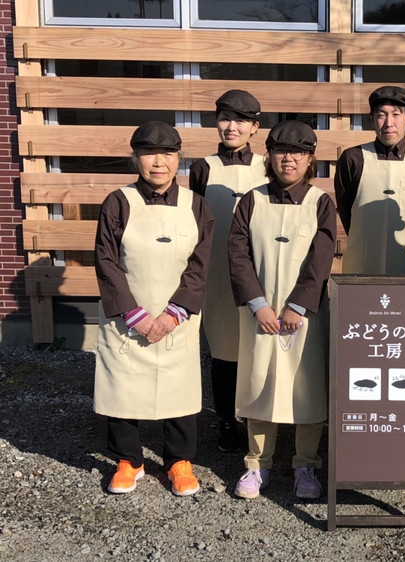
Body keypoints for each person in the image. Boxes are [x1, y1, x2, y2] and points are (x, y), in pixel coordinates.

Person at [94, 121, 215, 496]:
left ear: (178, 158)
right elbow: (106, 261)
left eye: (167, 154)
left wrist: (174, 312)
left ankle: (179, 460)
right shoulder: (118, 201)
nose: (158, 162)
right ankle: (128, 460)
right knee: (122, 388)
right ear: (136, 158)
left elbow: (200, 263)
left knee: (179, 388)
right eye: (149, 153)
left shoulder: (196, 204)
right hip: (128, 318)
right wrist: (136, 315)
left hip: (176, 317)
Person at [228, 120, 336, 500]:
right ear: (269, 156)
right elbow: (238, 255)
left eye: (299, 152)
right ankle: (257, 464)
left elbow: (321, 258)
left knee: (306, 387)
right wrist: (258, 305)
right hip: (260, 313)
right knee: (258, 383)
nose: (288, 159)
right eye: (280, 151)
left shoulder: (320, 202)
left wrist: (298, 304)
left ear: (310, 160)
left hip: (302, 315)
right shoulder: (251, 200)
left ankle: (305, 463)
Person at [189, 89, 267, 453]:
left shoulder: (267, 165)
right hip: (217, 271)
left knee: (257, 347)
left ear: (255, 126)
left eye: (240, 120)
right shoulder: (204, 167)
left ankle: (258, 419)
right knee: (223, 351)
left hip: (258, 268)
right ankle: (225, 421)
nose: (230, 126)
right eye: (224, 118)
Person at [334, 85, 405, 275]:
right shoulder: (352, 158)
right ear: (371, 119)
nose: (388, 123)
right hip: (363, 261)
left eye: (396, 114)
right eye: (381, 115)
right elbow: (348, 214)